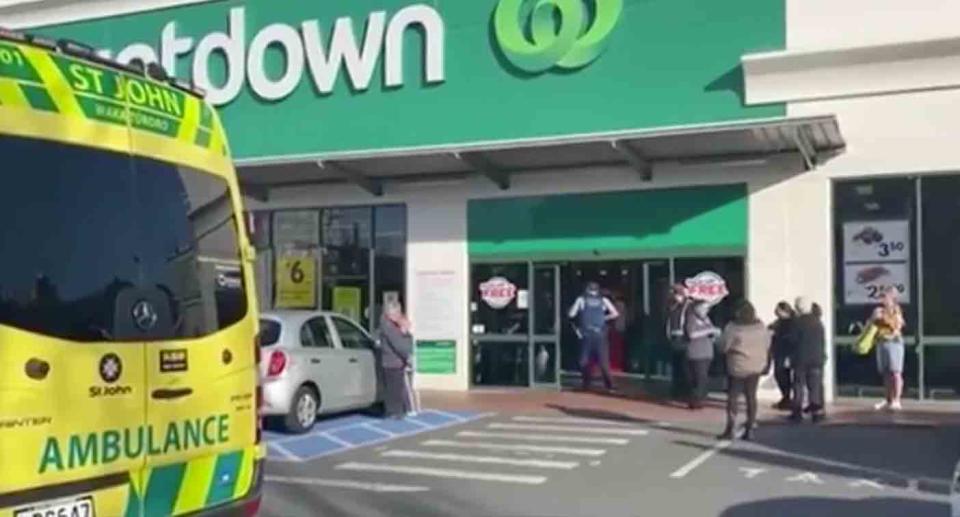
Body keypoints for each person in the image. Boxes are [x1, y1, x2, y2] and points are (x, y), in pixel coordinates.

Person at [717, 300, 772, 441]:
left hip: (737, 366)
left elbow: (723, 346)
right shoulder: (761, 327)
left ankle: (730, 427)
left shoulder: (733, 328)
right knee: (751, 397)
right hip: (756, 366)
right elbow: (767, 345)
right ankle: (749, 427)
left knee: (733, 397)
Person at [569, 281, 620, 392]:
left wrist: (579, 324)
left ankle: (587, 383)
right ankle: (609, 385)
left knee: (584, 361)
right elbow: (615, 313)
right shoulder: (603, 300)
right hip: (599, 334)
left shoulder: (581, 300)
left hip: (587, 334)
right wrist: (604, 318)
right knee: (603, 361)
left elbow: (571, 314)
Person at [790, 297, 827, 423]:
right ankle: (816, 412)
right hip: (816, 358)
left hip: (801, 358)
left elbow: (792, 340)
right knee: (815, 386)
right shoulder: (818, 322)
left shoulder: (797, 323)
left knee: (798, 385)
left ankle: (797, 411)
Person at [377, 301, 414, 419]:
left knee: (398, 388)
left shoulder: (392, 324)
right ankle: (394, 412)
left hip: (395, 361)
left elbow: (405, 343)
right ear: (390, 313)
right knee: (394, 389)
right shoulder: (388, 326)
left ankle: (400, 410)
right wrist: (408, 356)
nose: (399, 315)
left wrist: (406, 333)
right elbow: (398, 344)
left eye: (399, 312)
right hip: (392, 362)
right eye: (397, 313)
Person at [872, 288, 906, 411]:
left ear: (892, 298)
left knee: (895, 372)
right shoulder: (879, 311)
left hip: (894, 343)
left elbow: (897, 327)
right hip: (881, 343)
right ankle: (888, 399)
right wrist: (873, 318)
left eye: (885, 296)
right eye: (882, 297)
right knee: (885, 373)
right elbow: (871, 325)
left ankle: (897, 400)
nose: (882, 299)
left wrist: (885, 321)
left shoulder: (896, 311)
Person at [684, 300, 721, 410]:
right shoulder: (691, 318)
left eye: (707, 308)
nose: (706, 310)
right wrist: (708, 330)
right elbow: (692, 334)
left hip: (707, 352)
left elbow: (710, 331)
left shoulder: (706, 319)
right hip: (696, 353)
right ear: (697, 308)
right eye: (703, 308)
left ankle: (699, 399)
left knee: (702, 378)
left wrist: (714, 334)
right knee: (699, 378)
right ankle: (696, 400)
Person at [768, 301, 797, 410]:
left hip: (785, 353)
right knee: (780, 376)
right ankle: (786, 398)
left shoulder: (791, 323)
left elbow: (789, 338)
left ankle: (788, 399)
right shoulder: (780, 322)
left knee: (784, 376)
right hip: (779, 352)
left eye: (778, 310)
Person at [666, 284, 691, 400]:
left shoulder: (687, 306)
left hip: (683, 338)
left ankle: (686, 392)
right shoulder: (672, 306)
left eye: (675, 293)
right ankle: (676, 390)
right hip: (674, 338)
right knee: (676, 367)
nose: (673, 296)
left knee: (685, 367)